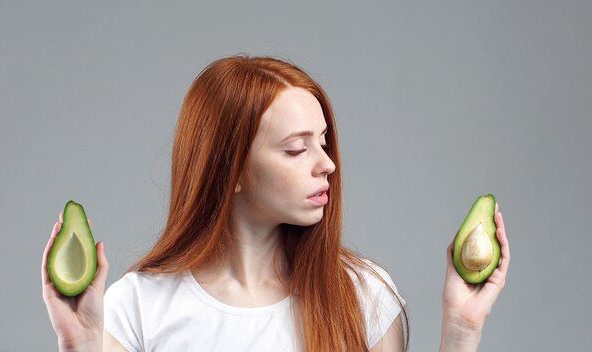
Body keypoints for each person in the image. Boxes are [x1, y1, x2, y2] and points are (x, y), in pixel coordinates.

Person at [42, 55, 510, 352]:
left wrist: (462, 329)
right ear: (232, 170)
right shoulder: (136, 308)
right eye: (296, 148)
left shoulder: (364, 296)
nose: (327, 164)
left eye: (324, 142)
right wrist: (80, 344)